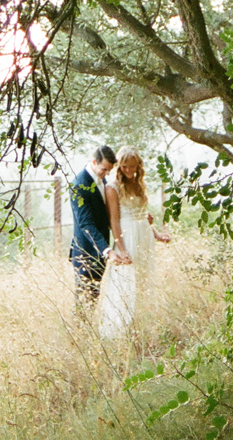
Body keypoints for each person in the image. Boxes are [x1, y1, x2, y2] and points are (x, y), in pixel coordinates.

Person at [99, 146, 170, 339]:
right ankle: (118, 332)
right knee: (125, 283)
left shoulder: (139, 184)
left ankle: (142, 329)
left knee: (143, 281)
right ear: (119, 166)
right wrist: (122, 249)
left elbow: (142, 217)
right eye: (124, 167)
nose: (128, 171)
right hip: (126, 237)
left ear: (138, 166)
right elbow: (114, 221)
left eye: (132, 166)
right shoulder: (112, 187)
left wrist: (156, 234)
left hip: (144, 237)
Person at [68, 144, 128, 309]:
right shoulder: (79, 185)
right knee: (83, 301)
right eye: (104, 169)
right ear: (94, 161)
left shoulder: (101, 179)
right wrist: (107, 250)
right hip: (85, 252)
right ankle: (80, 334)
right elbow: (86, 224)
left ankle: (88, 334)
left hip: (99, 253)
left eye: (109, 170)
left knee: (93, 298)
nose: (107, 173)